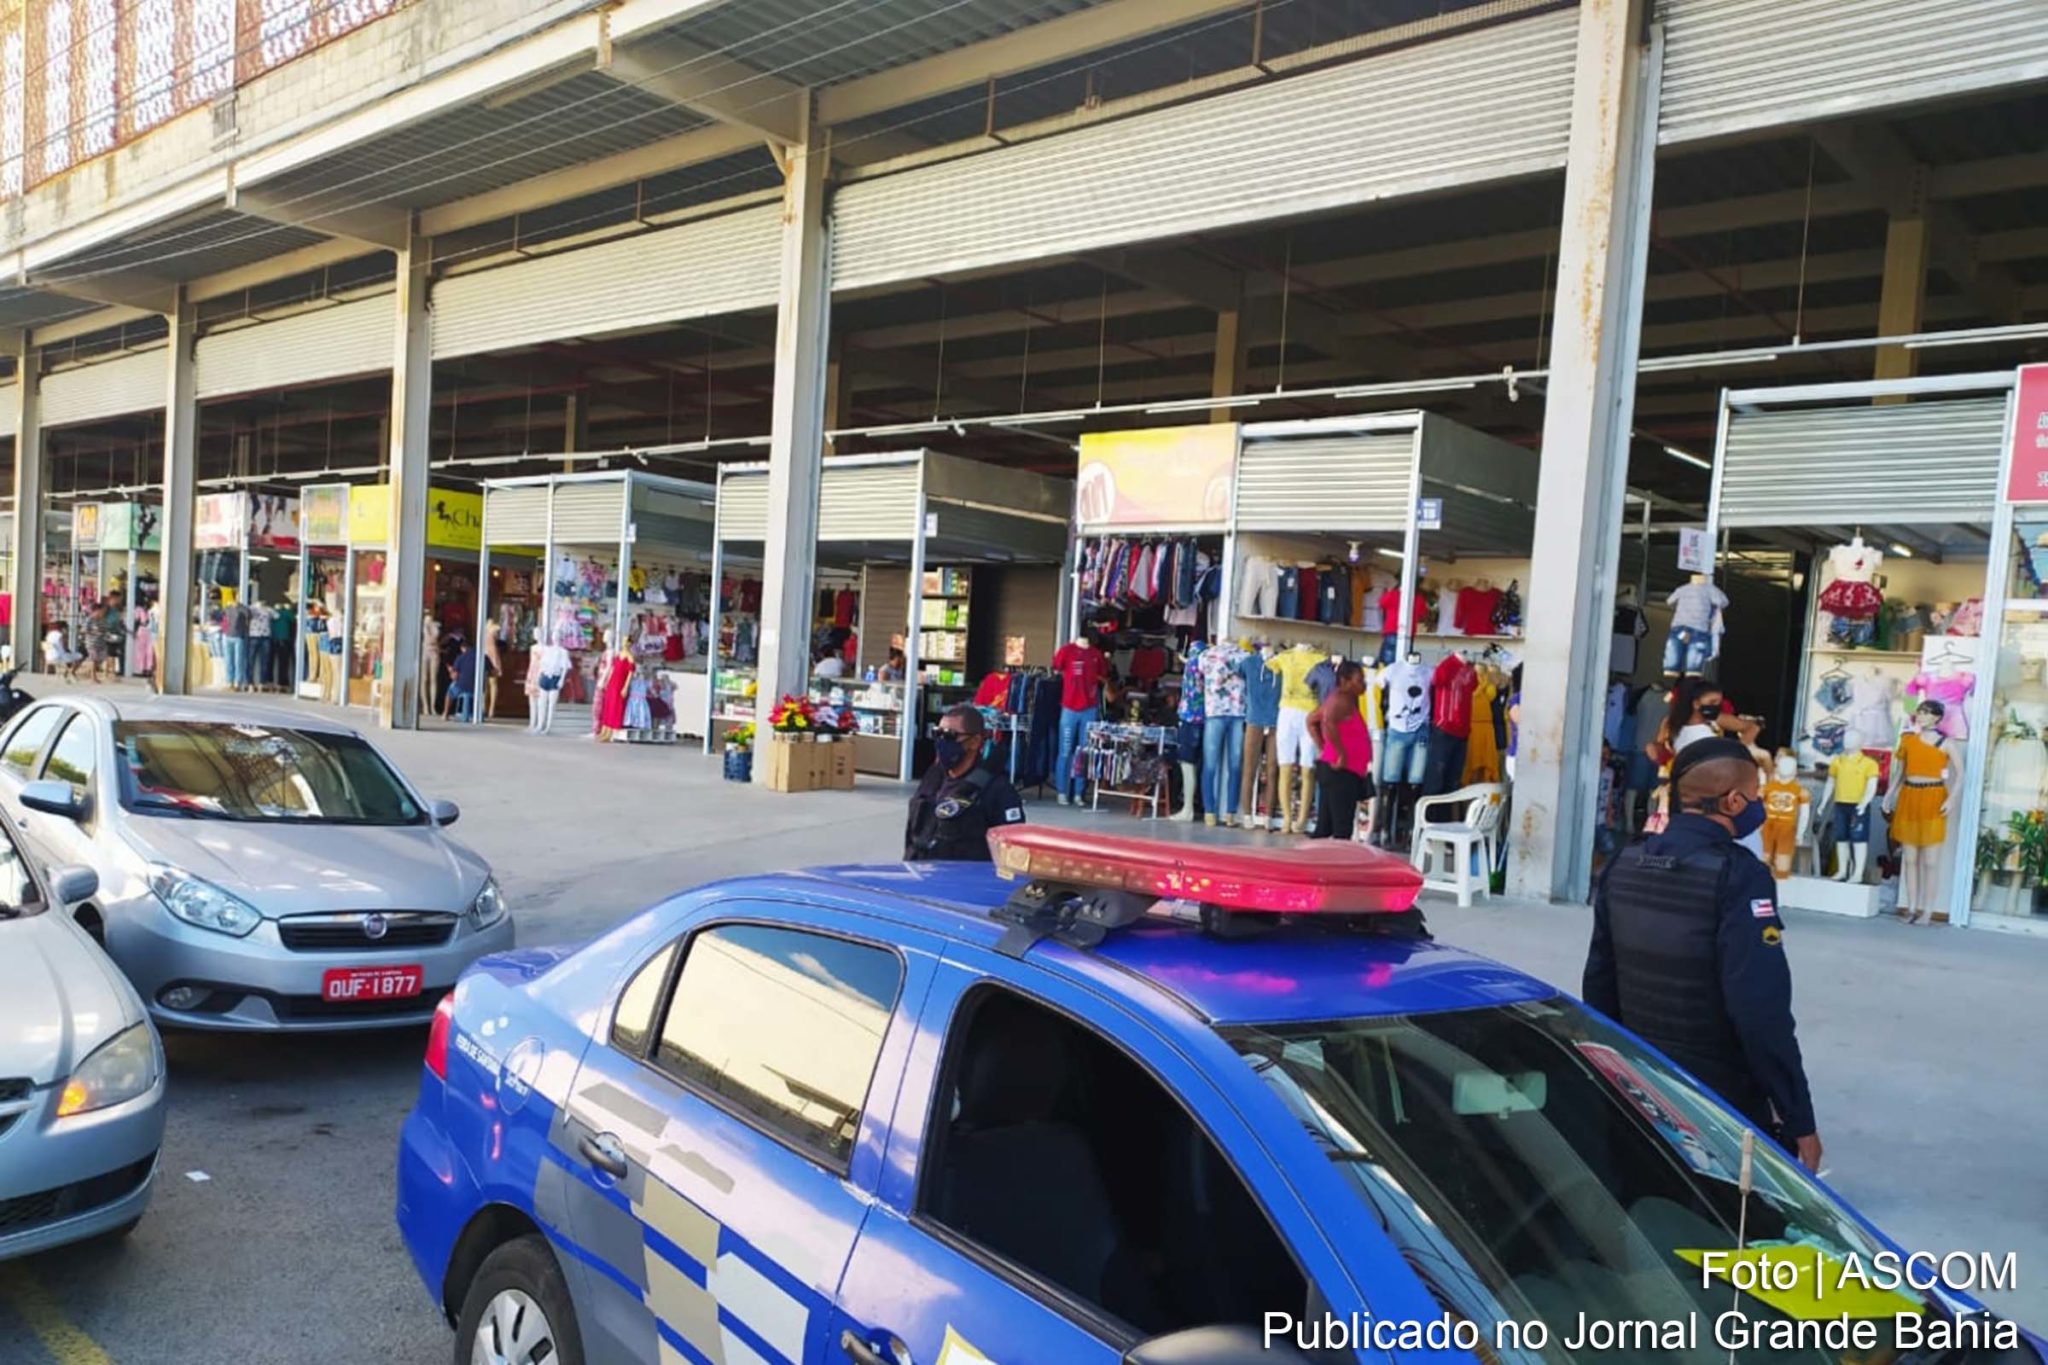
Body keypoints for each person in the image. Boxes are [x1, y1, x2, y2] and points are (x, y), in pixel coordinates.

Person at [1585, 737, 1822, 1173]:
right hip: (1716, 1100)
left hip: (1641, 1083)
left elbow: (1599, 986)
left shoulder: (1622, 863)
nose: (1758, 805)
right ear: (1733, 801)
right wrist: (1798, 1117)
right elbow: (1759, 1009)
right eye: (1755, 796)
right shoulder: (1740, 875)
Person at [904, 704, 1026, 862]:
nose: (941, 741)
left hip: (965, 880)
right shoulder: (933, 778)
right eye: (937, 733)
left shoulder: (997, 790)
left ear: (975, 741)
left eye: (949, 736)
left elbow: (1012, 851)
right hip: (922, 874)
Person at [1305, 662, 1372, 840]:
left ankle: (1313, 862)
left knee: (1325, 828)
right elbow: (1327, 722)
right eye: (1358, 680)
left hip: (1337, 768)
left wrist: (1324, 747)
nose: (1362, 684)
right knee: (1342, 829)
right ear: (1344, 681)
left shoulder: (1340, 700)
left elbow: (1312, 720)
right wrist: (1340, 753)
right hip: (1342, 771)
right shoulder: (1340, 701)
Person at [445, 635, 478, 723]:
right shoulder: (482, 657)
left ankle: (445, 714)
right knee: (467, 692)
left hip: (462, 686)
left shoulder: (460, 658)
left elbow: (454, 676)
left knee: (450, 690)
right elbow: (493, 672)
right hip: (477, 688)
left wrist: (451, 671)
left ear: (463, 648)